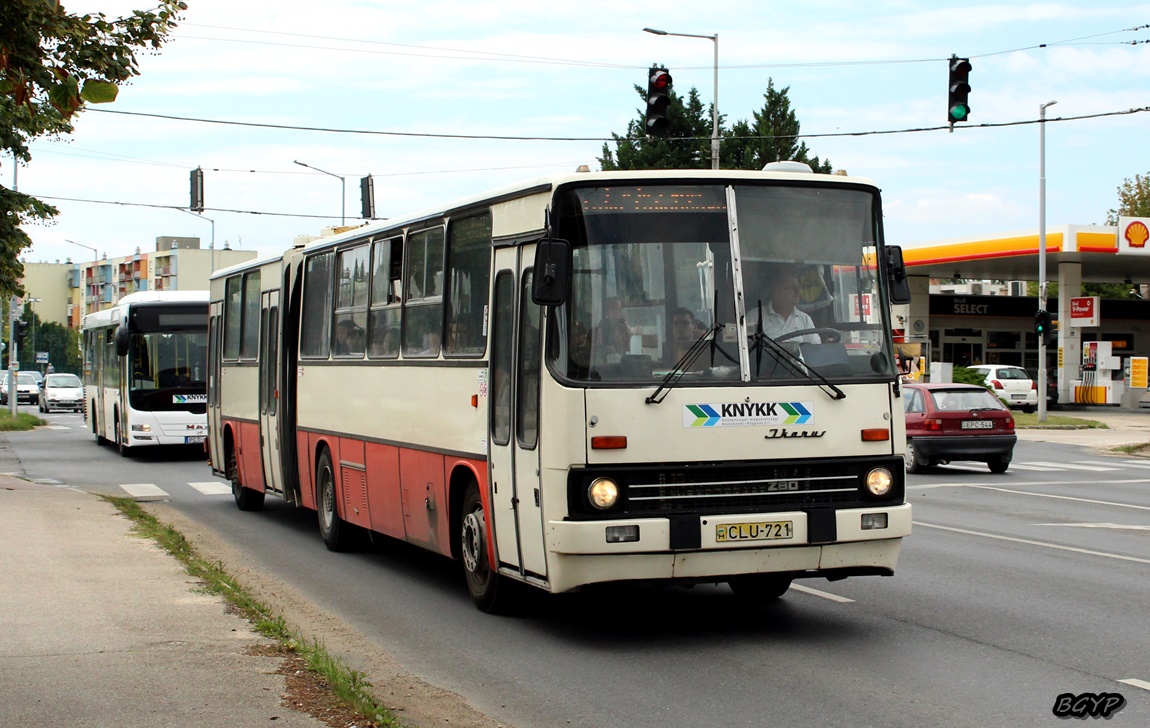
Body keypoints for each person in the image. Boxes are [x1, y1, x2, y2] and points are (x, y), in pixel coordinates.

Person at [760, 271, 819, 344]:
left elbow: (815, 349)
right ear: (777, 291)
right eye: (793, 288)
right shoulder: (755, 317)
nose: (798, 292)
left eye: (799, 288)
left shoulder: (805, 319)